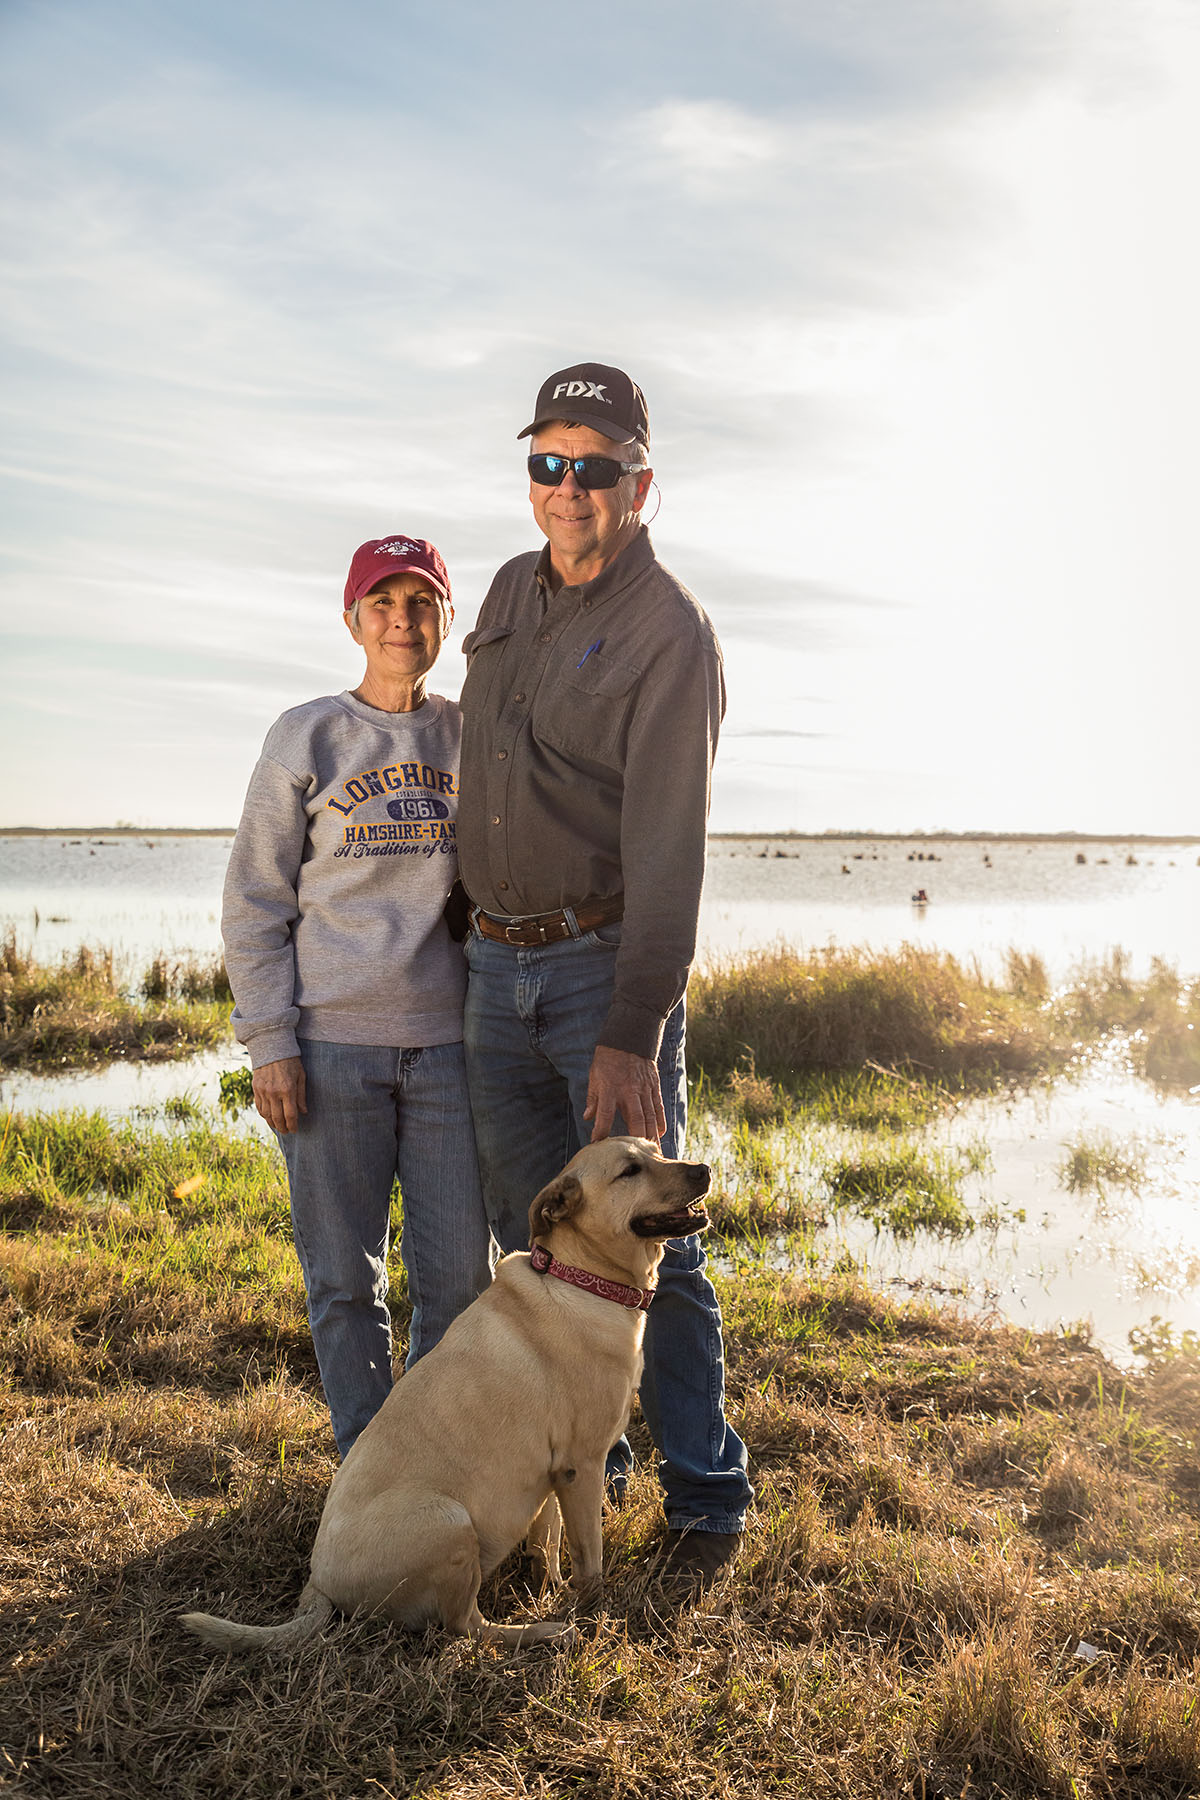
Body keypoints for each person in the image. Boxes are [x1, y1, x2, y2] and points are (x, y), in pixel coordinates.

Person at [457, 361, 753, 1583]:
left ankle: (704, 1499)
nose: (567, 489)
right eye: (548, 463)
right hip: (490, 969)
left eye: (595, 468)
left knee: (650, 1245)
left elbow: (668, 848)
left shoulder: (668, 631)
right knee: (532, 1241)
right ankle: (594, 1458)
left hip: (595, 980)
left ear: (642, 485)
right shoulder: (505, 594)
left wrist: (632, 1026)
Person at [222, 535, 492, 1461]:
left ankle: (434, 1455)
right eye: (382, 602)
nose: (402, 620)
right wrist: (269, 1042)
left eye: (422, 602)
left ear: (447, 622)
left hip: (450, 1047)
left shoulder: (471, 736)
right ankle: (368, 1468)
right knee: (344, 1279)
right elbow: (254, 897)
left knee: (460, 1278)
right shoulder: (307, 735)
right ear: (351, 620)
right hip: (329, 1047)